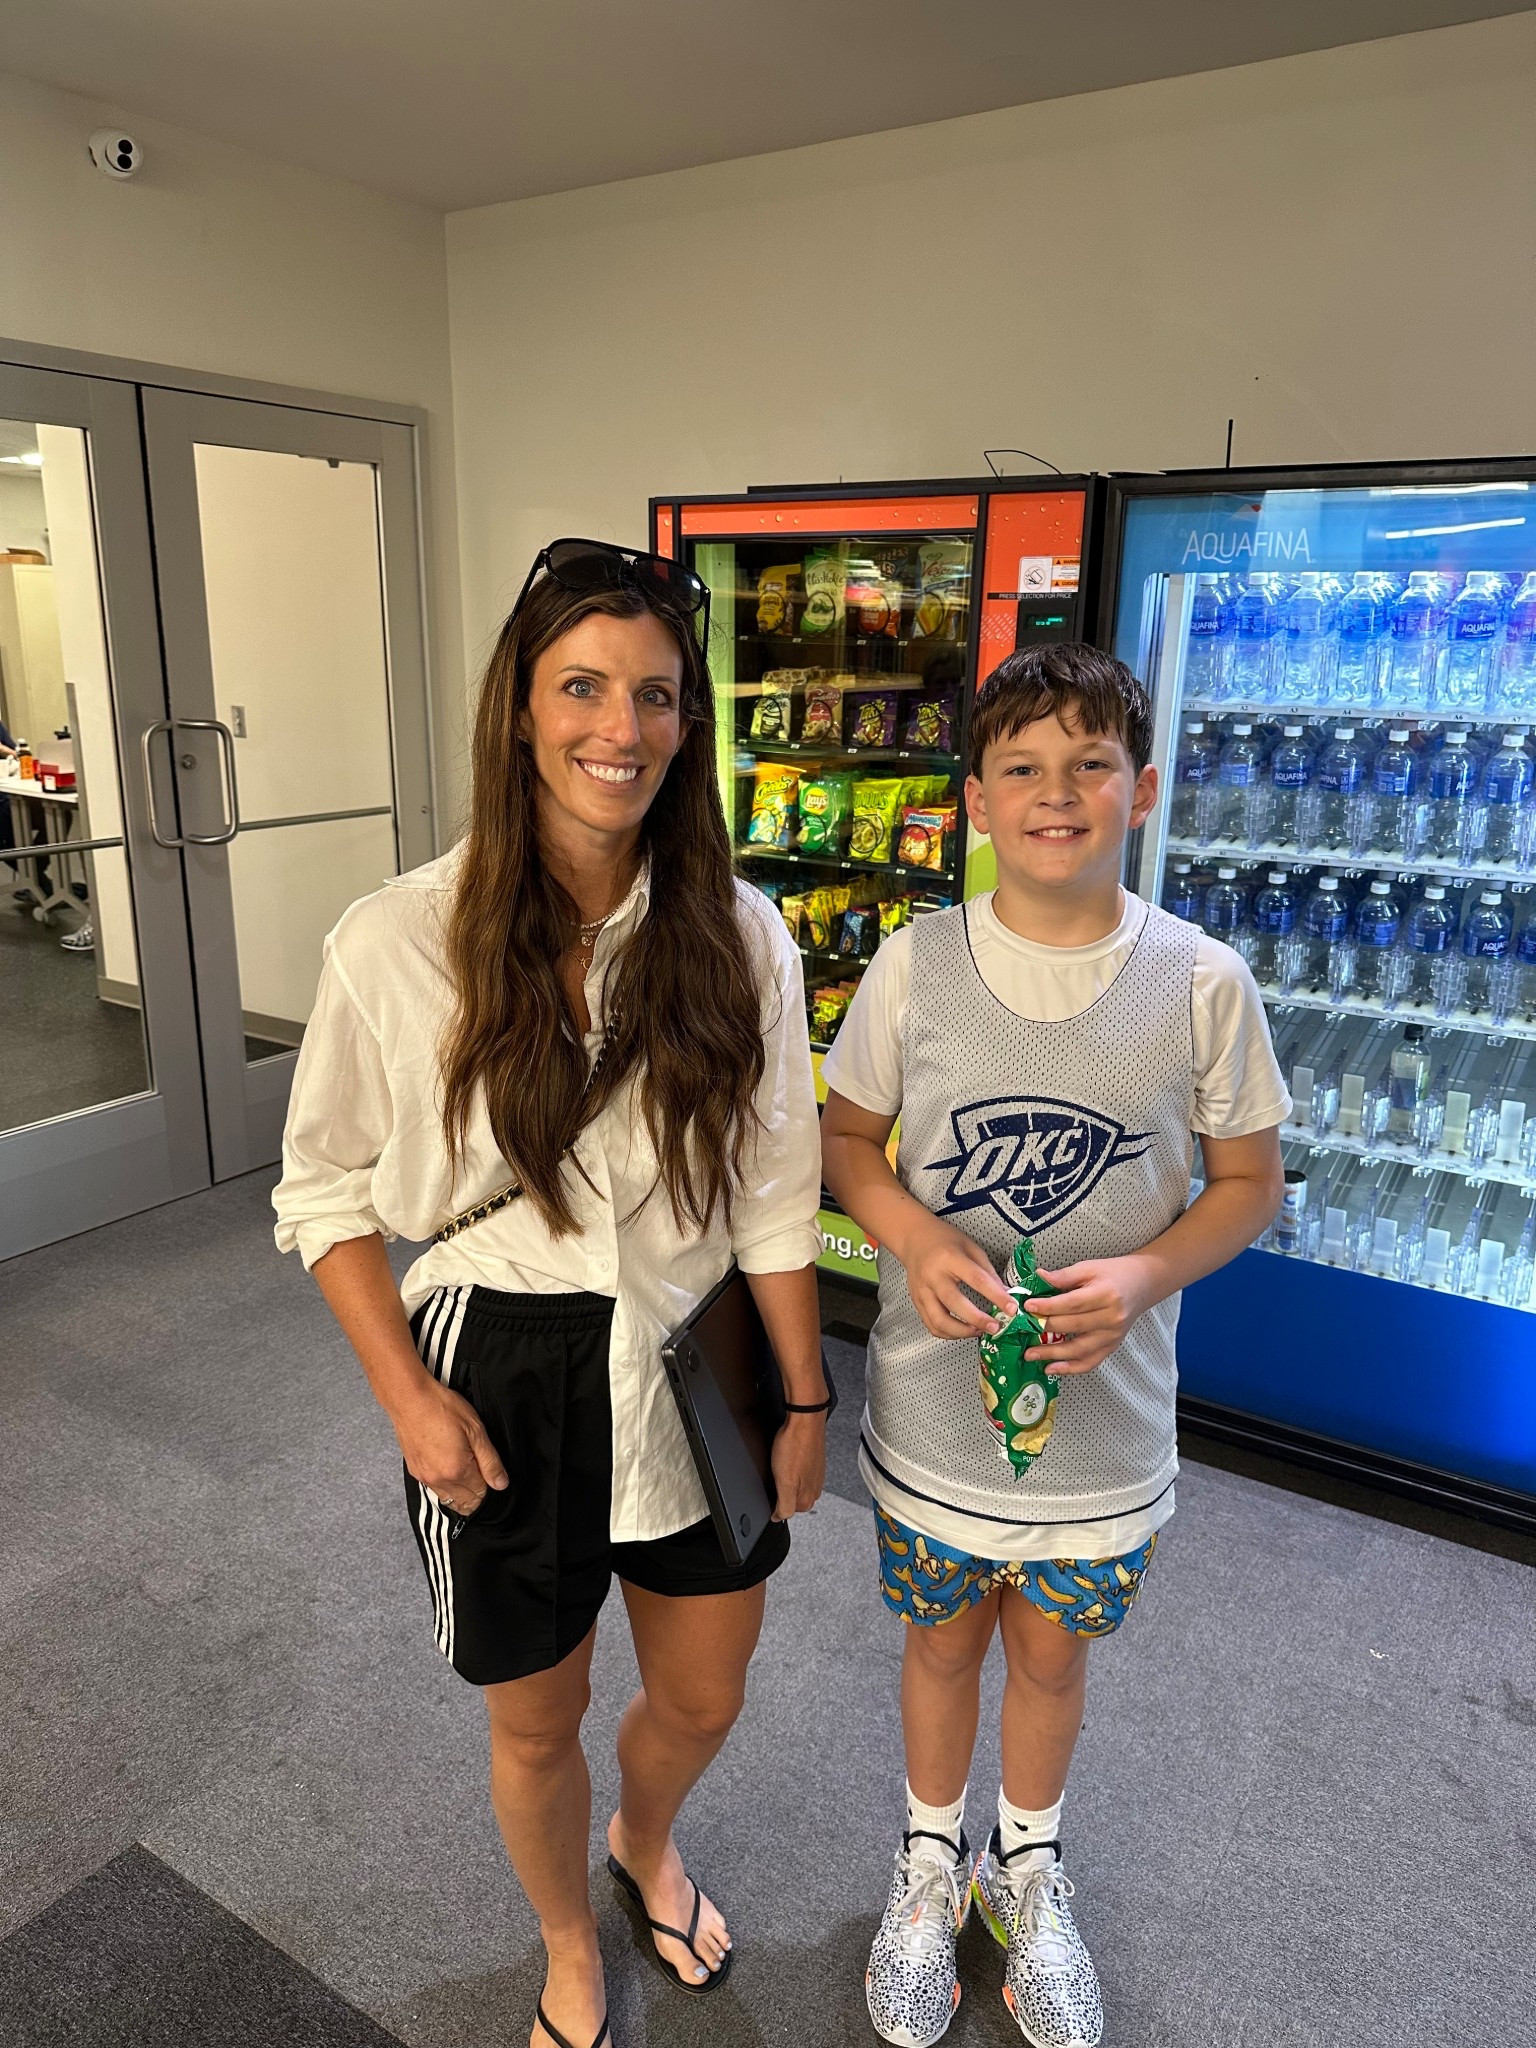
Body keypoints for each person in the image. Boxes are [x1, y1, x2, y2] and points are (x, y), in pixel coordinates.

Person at [273, 538, 830, 2048]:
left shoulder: (743, 934)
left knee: (703, 1696)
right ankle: (568, 1945)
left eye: (655, 695)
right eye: (582, 687)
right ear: (519, 709)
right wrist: (407, 1397)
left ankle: (645, 1841)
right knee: (535, 1720)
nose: (620, 728)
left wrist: (805, 1395)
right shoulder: (397, 938)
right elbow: (322, 1192)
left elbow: (777, 1191)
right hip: (499, 1363)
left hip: (697, 1351)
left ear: (688, 724)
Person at [820, 644, 1288, 2048]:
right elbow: (848, 1142)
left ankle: (1026, 1865)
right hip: (933, 1416)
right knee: (939, 1646)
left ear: (1141, 790)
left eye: (1091, 764)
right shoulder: (914, 966)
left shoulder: (1203, 982)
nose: (1057, 793)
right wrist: (914, 1237)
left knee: (1052, 1659)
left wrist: (1146, 1272)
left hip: (1107, 1430)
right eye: (1021, 766)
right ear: (974, 799)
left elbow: (1248, 1183)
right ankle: (928, 1859)